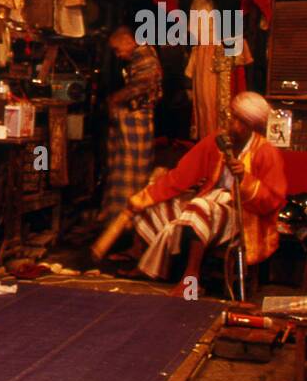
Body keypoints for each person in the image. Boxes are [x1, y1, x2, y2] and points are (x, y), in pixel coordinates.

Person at [125, 91, 286, 291]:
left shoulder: (266, 152)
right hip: (210, 202)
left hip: (244, 215)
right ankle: (147, 264)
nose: (234, 125)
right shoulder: (217, 141)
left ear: (252, 127)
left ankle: (191, 278)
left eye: (242, 122)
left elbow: (273, 201)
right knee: (156, 205)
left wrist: (245, 180)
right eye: (234, 118)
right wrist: (145, 197)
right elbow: (181, 175)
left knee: (198, 208)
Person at [103, 25, 162, 219]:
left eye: (117, 49)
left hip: (138, 120)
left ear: (129, 41)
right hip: (134, 120)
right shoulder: (139, 57)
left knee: (131, 169)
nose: (118, 55)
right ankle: (120, 216)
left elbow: (145, 82)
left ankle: (125, 217)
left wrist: (116, 99)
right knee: (126, 168)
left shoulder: (143, 54)